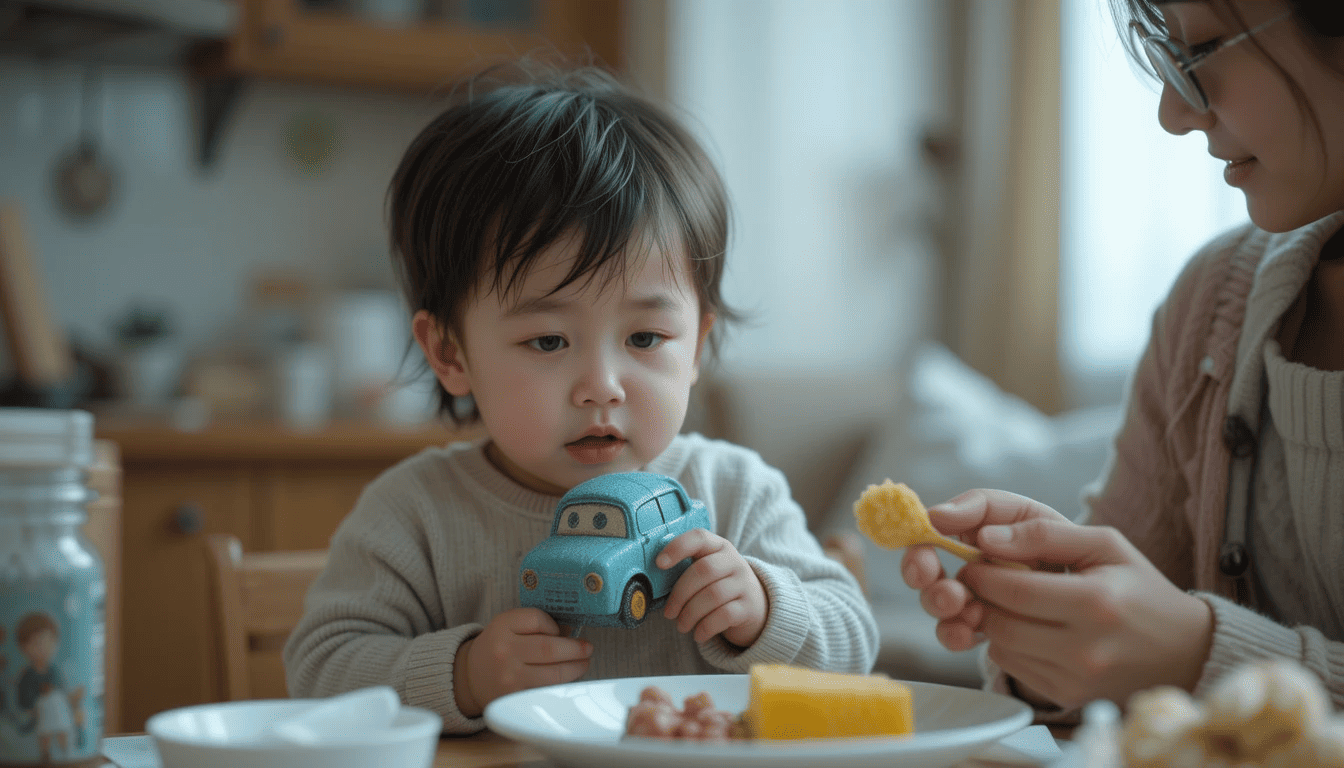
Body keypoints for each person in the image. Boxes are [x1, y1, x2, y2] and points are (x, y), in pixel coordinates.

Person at [283, 62, 878, 734]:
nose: (602, 385)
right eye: (547, 342)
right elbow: (319, 675)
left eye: (647, 336)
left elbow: (853, 645)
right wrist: (464, 674)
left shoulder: (734, 491)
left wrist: (765, 613)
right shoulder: (414, 515)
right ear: (450, 353)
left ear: (698, 348)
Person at [901, 0, 1344, 722]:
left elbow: (1180, 651)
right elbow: (1113, 680)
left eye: (1202, 52)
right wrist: (1055, 633)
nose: (1174, 112)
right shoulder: (1213, 305)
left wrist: (1200, 656)